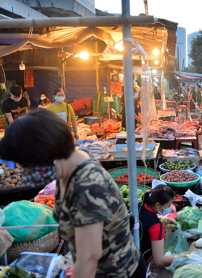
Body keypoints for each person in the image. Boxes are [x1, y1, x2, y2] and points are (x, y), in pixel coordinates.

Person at [0, 110, 146, 278]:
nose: (25, 170)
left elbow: (89, 258)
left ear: (45, 153)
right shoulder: (74, 163)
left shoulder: (87, 186)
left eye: (26, 164)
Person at [139, 185, 177, 267]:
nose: (170, 207)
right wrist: (185, 257)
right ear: (157, 205)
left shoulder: (139, 205)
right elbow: (159, 261)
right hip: (137, 264)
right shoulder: (155, 226)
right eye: (168, 205)